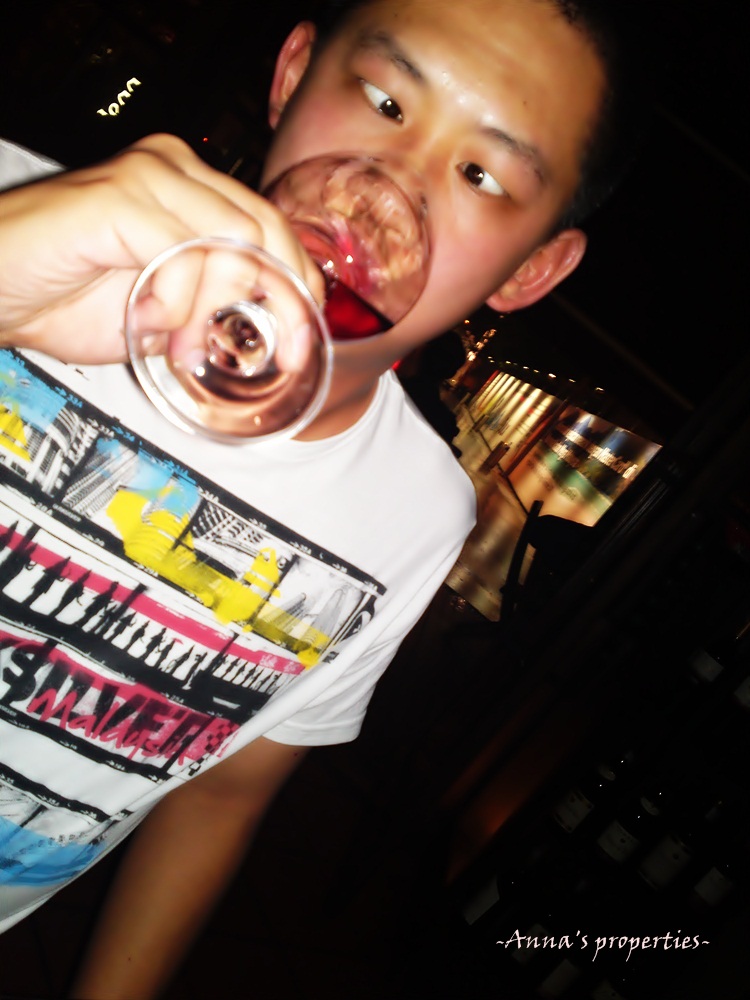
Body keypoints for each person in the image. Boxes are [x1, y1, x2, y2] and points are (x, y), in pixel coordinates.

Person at [0, 0, 643, 995]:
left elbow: (222, 794)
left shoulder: (417, 515)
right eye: (386, 100)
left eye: (480, 175)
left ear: (532, 269)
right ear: (293, 73)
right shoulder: (19, 216)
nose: (387, 188)